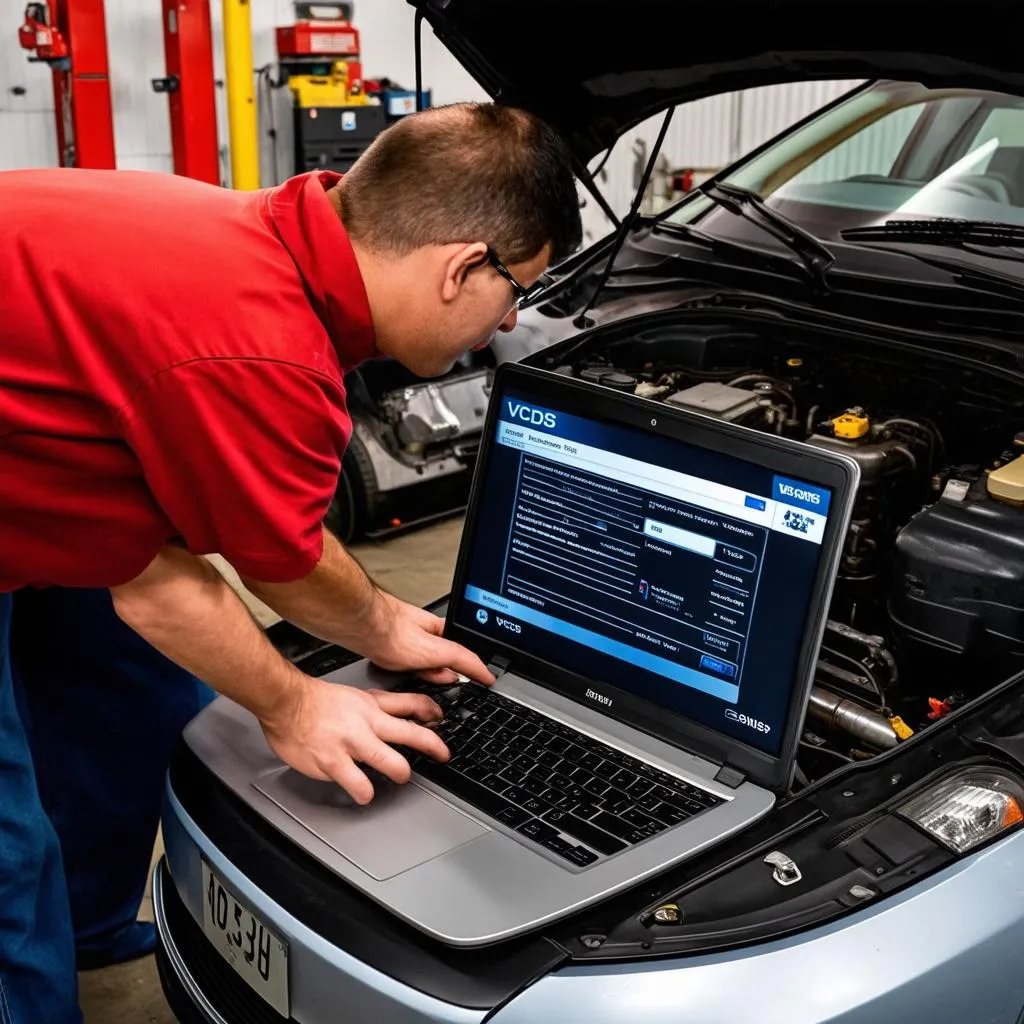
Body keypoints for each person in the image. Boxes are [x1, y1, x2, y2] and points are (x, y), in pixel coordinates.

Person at [0, 100, 582, 1023]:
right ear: (461, 265)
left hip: (25, 449)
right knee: (4, 850)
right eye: (515, 292)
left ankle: (96, 923)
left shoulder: (269, 235)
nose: (506, 323)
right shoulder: (260, 347)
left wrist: (385, 623)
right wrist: (294, 703)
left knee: (147, 699)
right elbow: (170, 584)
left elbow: (216, 548)